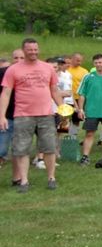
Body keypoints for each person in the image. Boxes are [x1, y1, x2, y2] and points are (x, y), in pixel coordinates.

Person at [0, 38, 61, 192]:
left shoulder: (48, 68)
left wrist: (63, 108)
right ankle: (24, 181)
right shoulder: (13, 70)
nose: (33, 52)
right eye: (30, 50)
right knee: (21, 149)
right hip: (23, 115)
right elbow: (6, 93)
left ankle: (51, 178)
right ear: (24, 50)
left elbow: (54, 90)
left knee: (49, 147)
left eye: (35, 49)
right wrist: (2, 116)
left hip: (46, 114)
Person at [0, 48, 25, 175]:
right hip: (6, 116)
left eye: (22, 58)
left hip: (24, 116)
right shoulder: (3, 73)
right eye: (16, 58)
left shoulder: (30, 74)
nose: (19, 61)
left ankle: (18, 177)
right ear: (11, 58)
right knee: (2, 148)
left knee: (19, 149)